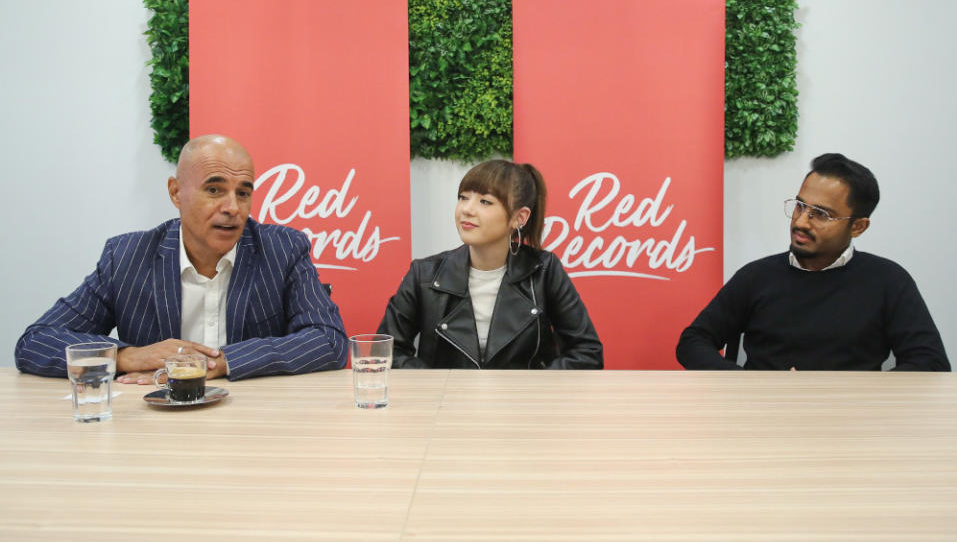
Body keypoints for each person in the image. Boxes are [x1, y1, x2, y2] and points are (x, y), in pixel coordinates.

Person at [16, 135, 348, 382]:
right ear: (176, 192)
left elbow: (329, 340)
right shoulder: (127, 258)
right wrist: (127, 356)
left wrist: (223, 363)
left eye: (243, 193)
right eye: (215, 190)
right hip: (155, 429)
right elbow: (37, 342)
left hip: (254, 424)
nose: (233, 207)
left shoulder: (283, 250)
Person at [677, 153, 950, 371]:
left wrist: (848, 395)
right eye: (800, 205)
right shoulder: (757, 276)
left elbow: (931, 362)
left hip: (851, 424)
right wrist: (747, 385)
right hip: (764, 418)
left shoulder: (889, 281)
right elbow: (693, 342)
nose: (800, 221)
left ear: (858, 227)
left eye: (820, 214)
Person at [378, 160, 603, 369]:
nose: (467, 209)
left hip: (523, 408)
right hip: (446, 407)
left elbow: (587, 353)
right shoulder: (424, 274)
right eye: (463, 197)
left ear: (519, 218)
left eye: (485, 201)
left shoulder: (544, 271)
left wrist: (530, 390)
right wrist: (438, 385)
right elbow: (387, 352)